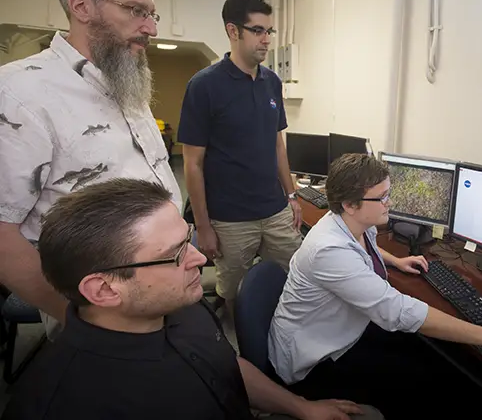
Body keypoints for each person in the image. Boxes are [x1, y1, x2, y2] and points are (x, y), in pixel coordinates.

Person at [1, 179, 383, 420]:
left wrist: (302, 408)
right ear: (103, 290)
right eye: (175, 254)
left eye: (189, 241)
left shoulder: (180, 306)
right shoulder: (65, 404)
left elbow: (226, 366)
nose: (200, 259)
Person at [269, 154, 482, 418]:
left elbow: (362, 249)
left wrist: (395, 260)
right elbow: (398, 310)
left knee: (427, 354)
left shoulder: (352, 221)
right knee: (418, 382)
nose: (390, 202)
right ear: (350, 204)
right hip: (315, 357)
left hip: (339, 329)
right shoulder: (328, 250)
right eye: (382, 197)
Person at [0, 0, 181, 336]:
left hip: (165, 287)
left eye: (152, 14)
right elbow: (2, 234)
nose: (151, 27)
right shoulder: (19, 93)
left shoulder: (125, 82)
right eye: (136, 11)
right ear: (81, 7)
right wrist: (79, 319)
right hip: (101, 315)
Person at [178, 0, 302, 314]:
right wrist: (203, 226)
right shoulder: (204, 86)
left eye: (269, 32)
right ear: (233, 31)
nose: (266, 40)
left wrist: (291, 196)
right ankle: (238, 348)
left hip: (275, 210)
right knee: (231, 291)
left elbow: (277, 144)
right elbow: (192, 163)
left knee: (296, 275)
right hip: (230, 218)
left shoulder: (272, 83)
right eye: (258, 31)